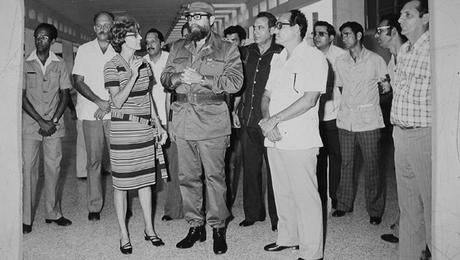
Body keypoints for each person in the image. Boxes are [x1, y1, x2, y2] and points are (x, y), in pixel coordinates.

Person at [161, 1, 243, 255]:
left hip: (213, 124)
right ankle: (195, 226)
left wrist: (203, 80)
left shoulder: (227, 48)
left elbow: (235, 83)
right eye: (190, 17)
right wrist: (174, 79)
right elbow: (164, 78)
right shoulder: (177, 47)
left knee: (215, 178)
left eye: (199, 16)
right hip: (184, 121)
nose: (193, 20)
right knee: (187, 178)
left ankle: (218, 227)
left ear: (210, 20)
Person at [259, 10, 328, 260]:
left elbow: (309, 99)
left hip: (300, 137)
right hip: (274, 135)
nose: (275, 29)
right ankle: (288, 238)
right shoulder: (278, 59)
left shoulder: (314, 57)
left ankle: (312, 252)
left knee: (305, 196)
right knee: (283, 192)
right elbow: (266, 96)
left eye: (280, 25)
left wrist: (275, 119)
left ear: (298, 28)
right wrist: (268, 121)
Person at [104, 15, 167, 255]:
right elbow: (117, 101)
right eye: (136, 34)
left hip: (143, 130)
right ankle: (123, 233)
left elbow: (147, 97)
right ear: (123, 38)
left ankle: (150, 229)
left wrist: (158, 124)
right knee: (121, 185)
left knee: (145, 182)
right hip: (122, 131)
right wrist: (132, 75)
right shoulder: (111, 65)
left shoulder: (144, 63)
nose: (141, 38)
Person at [332, 21, 388, 226]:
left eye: (347, 34)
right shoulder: (340, 61)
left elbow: (385, 88)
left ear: (358, 34)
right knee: (346, 165)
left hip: (369, 122)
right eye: (342, 35)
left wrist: (368, 103)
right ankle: (343, 205)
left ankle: (375, 210)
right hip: (346, 122)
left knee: (372, 167)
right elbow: (339, 87)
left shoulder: (375, 60)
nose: (344, 38)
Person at [22, 23, 72, 234]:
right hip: (31, 126)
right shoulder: (24, 63)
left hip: (54, 125)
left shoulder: (59, 64)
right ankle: (26, 218)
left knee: (53, 169)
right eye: (37, 37)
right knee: (28, 170)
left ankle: (53, 213)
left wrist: (53, 120)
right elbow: (21, 97)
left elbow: (65, 95)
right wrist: (41, 121)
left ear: (52, 42)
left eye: (44, 37)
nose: (39, 40)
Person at [392, 0, 431, 258]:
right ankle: (409, 254)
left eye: (408, 14)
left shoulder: (435, 50)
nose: (401, 19)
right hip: (400, 133)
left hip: (424, 134)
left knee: (431, 204)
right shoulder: (404, 50)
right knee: (407, 205)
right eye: (401, 14)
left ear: (426, 18)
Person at [237, 11, 282, 231]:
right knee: (250, 169)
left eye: (260, 27)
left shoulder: (281, 53)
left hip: (270, 121)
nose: (255, 31)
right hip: (248, 119)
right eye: (254, 28)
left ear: (273, 30)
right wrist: (236, 110)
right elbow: (241, 85)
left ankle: (278, 218)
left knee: (275, 172)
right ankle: (253, 213)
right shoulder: (247, 52)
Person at [72, 11, 116, 221]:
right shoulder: (84, 49)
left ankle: (122, 203)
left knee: (119, 162)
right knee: (94, 162)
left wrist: (109, 104)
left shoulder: (120, 50)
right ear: (94, 28)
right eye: (98, 25)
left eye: (106, 25)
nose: (102, 29)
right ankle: (94, 206)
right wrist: (100, 101)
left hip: (116, 114)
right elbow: (78, 80)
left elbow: (127, 83)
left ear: (113, 26)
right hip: (92, 113)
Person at [143, 28, 183, 221]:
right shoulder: (141, 63)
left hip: (169, 121)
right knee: (148, 169)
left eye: (153, 40)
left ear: (161, 42)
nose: (150, 44)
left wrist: (169, 123)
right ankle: (147, 210)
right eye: (147, 41)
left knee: (172, 167)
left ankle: (173, 210)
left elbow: (173, 94)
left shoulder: (171, 60)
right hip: (147, 123)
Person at [374, 13, 408, 244]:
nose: (377, 35)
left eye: (381, 31)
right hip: (400, 125)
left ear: (393, 31)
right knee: (405, 183)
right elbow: (391, 93)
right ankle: (403, 227)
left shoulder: (409, 54)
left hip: (416, 127)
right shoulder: (391, 60)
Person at [313, 21, 346, 213]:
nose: (317, 37)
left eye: (322, 34)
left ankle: (336, 198)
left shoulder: (341, 56)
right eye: (315, 34)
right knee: (317, 159)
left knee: (336, 158)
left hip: (335, 116)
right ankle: (319, 199)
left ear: (332, 38)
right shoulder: (310, 56)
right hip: (314, 117)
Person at [223, 24, 246, 210]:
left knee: (243, 163)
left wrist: (234, 111)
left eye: (235, 41)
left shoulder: (246, 61)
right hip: (225, 118)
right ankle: (225, 204)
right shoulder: (223, 62)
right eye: (227, 41)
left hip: (244, 118)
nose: (231, 44)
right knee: (227, 162)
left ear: (242, 42)